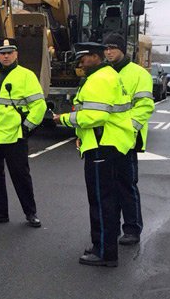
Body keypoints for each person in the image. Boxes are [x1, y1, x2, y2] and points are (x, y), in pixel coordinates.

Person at [53, 42, 135, 267]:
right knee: (107, 199)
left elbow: (95, 116)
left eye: (83, 58)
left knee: (101, 201)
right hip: (109, 144)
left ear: (96, 57)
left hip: (102, 146)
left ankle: (104, 252)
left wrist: (64, 119)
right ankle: (103, 246)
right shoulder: (107, 75)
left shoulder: (99, 79)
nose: (79, 63)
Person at [0, 39, 46, 228]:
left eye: (10, 52)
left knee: (21, 176)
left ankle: (30, 213)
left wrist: (26, 128)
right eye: (2, 53)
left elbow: (39, 105)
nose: (6, 56)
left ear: (16, 54)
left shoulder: (27, 76)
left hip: (15, 136)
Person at [104, 33, 154, 245]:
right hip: (105, 140)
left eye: (113, 48)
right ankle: (112, 228)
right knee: (108, 187)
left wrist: (127, 130)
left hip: (126, 140)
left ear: (123, 49)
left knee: (126, 185)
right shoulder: (103, 73)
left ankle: (132, 229)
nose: (108, 52)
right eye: (106, 48)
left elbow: (144, 107)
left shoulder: (139, 74)